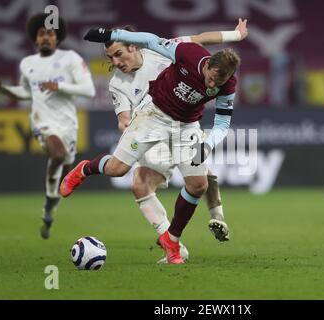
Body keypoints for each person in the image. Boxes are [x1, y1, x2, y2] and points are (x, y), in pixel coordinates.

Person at [61, 26, 241, 264]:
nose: (211, 87)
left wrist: (206, 146)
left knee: (199, 184)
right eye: (210, 79)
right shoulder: (187, 53)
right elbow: (150, 39)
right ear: (207, 65)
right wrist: (111, 36)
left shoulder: (227, 84)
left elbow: (222, 123)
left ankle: (172, 241)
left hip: (187, 127)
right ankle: (85, 168)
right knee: (118, 169)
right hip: (153, 115)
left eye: (217, 84)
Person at [0, 13, 96, 238]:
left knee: (65, 169)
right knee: (57, 154)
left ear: (57, 38)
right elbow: (27, 93)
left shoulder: (71, 59)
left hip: (68, 124)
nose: (46, 37)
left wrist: (59, 86)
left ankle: (49, 207)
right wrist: (4, 90)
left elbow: (89, 90)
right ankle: (49, 199)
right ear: (35, 39)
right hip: (42, 121)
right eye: (41, 34)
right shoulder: (28, 64)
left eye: (50, 34)